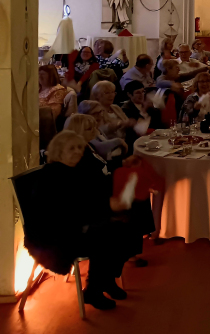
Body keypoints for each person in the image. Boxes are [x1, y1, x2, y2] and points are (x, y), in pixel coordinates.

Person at [25, 131, 134, 310]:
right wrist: (107, 206)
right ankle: (93, 290)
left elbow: (94, 191)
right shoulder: (51, 176)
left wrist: (122, 174)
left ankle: (106, 281)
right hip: (53, 237)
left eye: (79, 147)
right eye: (71, 148)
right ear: (59, 151)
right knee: (107, 234)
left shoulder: (75, 169)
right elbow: (69, 212)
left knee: (124, 227)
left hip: (73, 225)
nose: (77, 151)